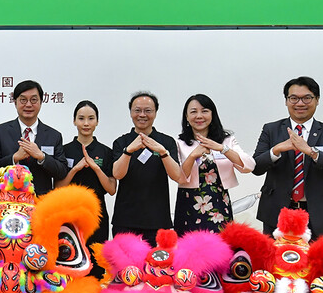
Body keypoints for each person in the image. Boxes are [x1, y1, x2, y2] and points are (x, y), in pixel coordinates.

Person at [252, 76, 323, 239]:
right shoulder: (271, 130)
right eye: (294, 98)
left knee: (319, 263)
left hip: (319, 214)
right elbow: (256, 167)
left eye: (307, 98)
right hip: (278, 212)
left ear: (317, 100)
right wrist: (277, 149)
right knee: (277, 262)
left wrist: (311, 152)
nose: (300, 103)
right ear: (286, 101)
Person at [175, 94, 255, 234]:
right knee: (189, 249)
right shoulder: (179, 144)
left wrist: (222, 149)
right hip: (188, 204)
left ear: (212, 114)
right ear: (186, 117)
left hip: (218, 203)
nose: (199, 116)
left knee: (221, 247)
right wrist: (193, 155)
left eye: (205, 111)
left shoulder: (227, 141)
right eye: (193, 112)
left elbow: (249, 166)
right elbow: (178, 176)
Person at [110, 91, 182, 247]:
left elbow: (177, 176)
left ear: (155, 113)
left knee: (157, 269)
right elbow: (117, 174)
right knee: (124, 269)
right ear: (130, 112)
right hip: (125, 220)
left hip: (157, 221)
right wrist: (128, 150)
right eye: (137, 110)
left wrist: (163, 152)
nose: (142, 115)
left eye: (148, 110)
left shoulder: (166, 142)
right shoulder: (121, 142)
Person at [57, 100, 115, 278]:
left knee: (96, 264)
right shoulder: (64, 150)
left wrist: (96, 168)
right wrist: (75, 169)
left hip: (97, 215)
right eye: (81, 118)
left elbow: (111, 189)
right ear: (74, 121)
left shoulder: (105, 151)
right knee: (69, 261)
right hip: (70, 216)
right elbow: (57, 188)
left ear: (97, 122)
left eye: (91, 118)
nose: (86, 123)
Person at [0, 80, 67, 195]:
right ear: (15, 102)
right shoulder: (0, 132)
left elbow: (62, 171)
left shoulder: (54, 135)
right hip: (7, 202)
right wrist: (15, 158)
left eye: (34, 100)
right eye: (23, 100)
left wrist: (42, 157)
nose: (28, 105)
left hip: (41, 202)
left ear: (41, 102)